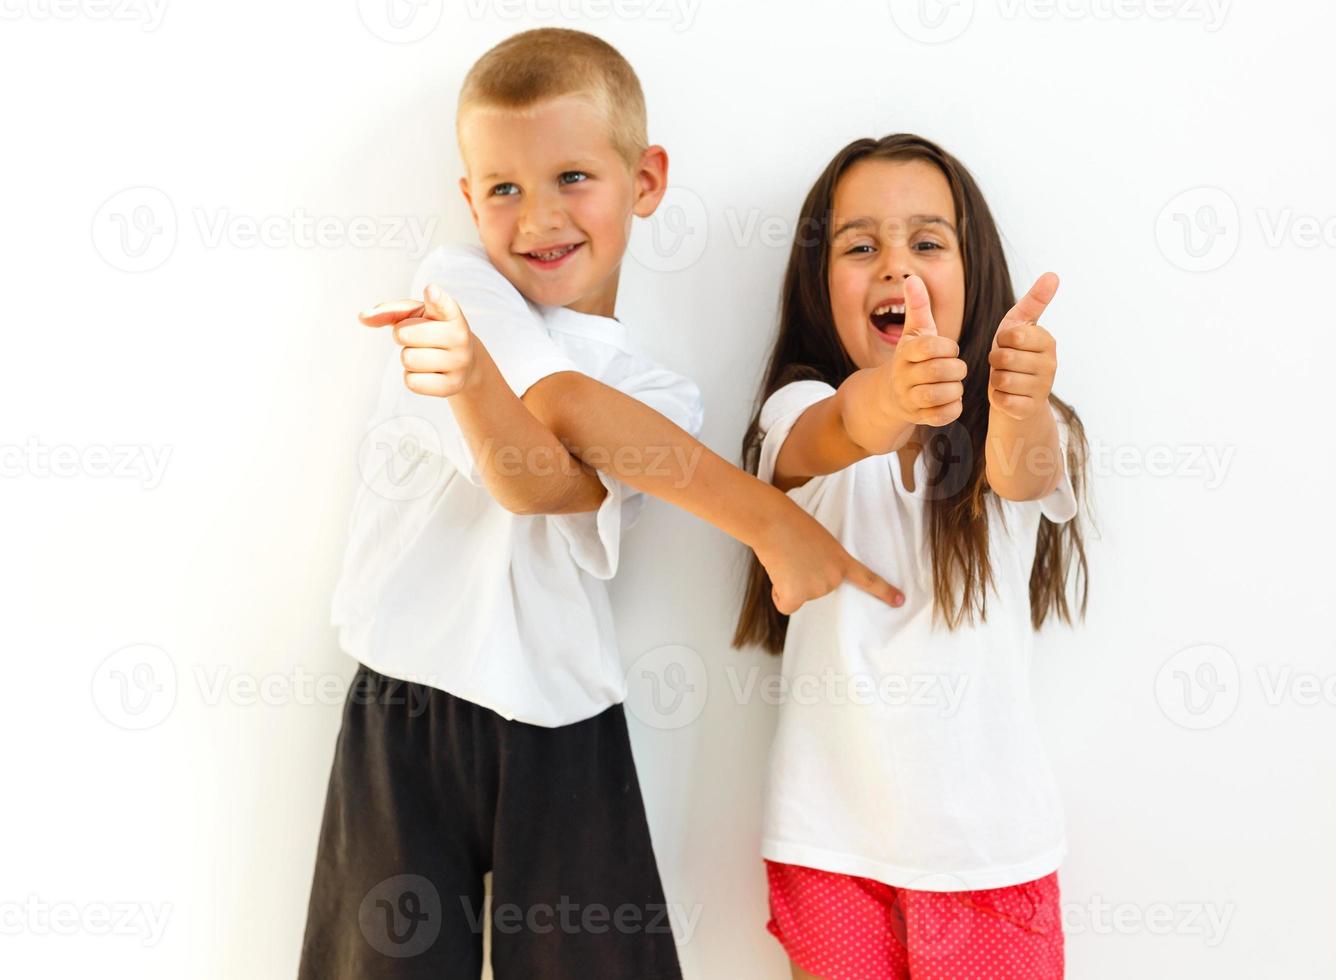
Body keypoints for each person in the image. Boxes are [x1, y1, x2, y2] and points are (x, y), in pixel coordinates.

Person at [301, 29, 901, 980]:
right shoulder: (453, 290)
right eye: (503, 188)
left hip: (562, 713)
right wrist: (771, 522)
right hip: (406, 703)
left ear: (645, 180)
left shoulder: (661, 398)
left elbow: (557, 469)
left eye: (572, 177)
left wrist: (508, 403)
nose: (537, 216)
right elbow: (534, 454)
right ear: (470, 200)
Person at [734, 133, 1090, 980]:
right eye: (861, 247)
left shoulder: (1030, 423)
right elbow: (844, 426)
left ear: (977, 273)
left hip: (991, 855)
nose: (895, 266)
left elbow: (1023, 467)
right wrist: (893, 395)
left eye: (927, 242)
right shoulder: (795, 412)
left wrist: (1017, 401)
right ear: (822, 286)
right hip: (831, 847)